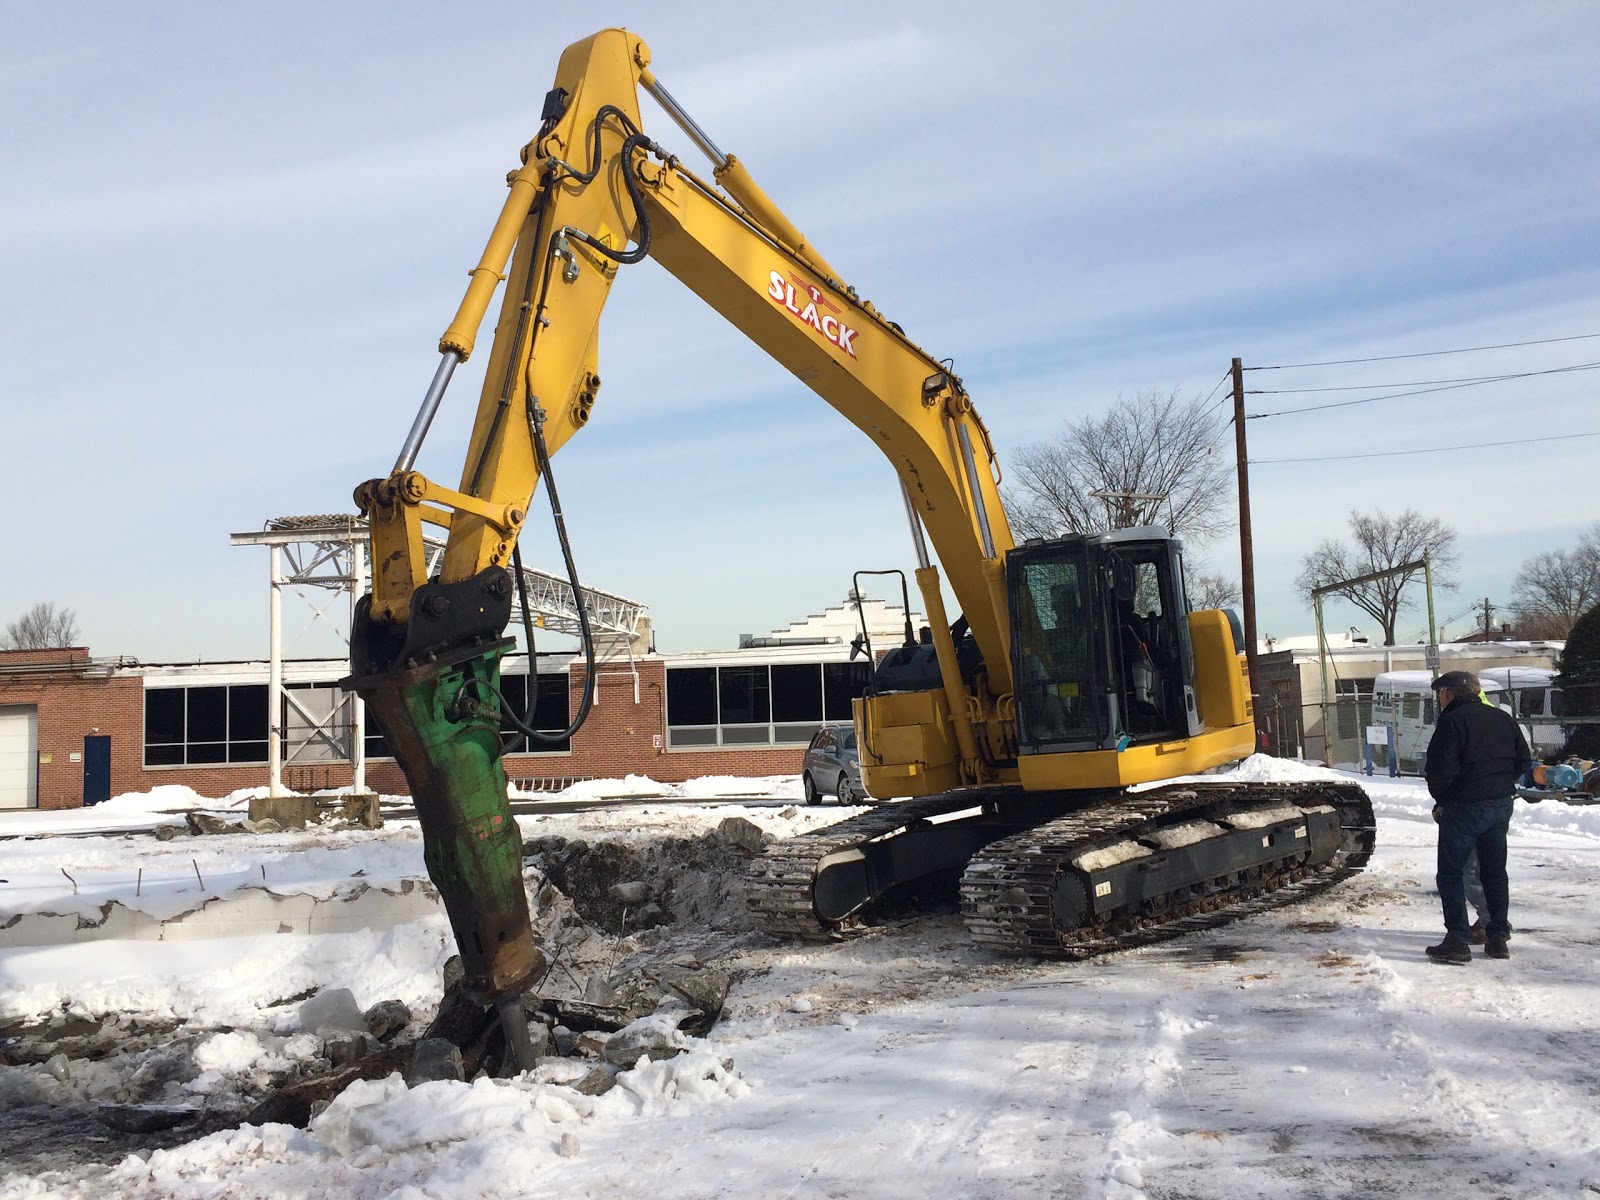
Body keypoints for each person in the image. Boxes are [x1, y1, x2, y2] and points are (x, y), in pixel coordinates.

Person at [1423, 669, 1531, 964]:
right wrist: (1498, 784)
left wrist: (1445, 798)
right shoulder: (1502, 718)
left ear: (1449, 693)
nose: (1440, 700)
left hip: (1463, 808)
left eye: (1441, 694)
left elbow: (1438, 768)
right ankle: (1497, 938)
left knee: (1451, 873)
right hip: (1499, 806)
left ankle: (1457, 941)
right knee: (1494, 872)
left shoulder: (1452, 721)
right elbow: (1524, 759)